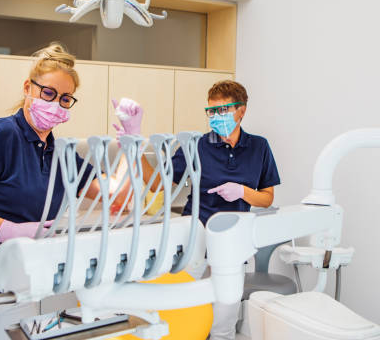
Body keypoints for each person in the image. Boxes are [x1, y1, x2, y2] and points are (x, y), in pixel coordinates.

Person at [0, 42, 128, 340]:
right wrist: (9, 230)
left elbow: (116, 195)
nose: (56, 103)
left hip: (16, 283)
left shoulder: (62, 153)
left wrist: (129, 145)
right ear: (28, 88)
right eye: (48, 93)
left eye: (66, 98)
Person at [114, 80, 280, 340]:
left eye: (223, 110)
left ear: (242, 111)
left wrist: (243, 192)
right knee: (179, 299)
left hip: (234, 235)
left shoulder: (259, 147)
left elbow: (267, 198)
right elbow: (159, 181)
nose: (216, 117)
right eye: (212, 111)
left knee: (226, 309)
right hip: (196, 229)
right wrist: (134, 149)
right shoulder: (198, 145)